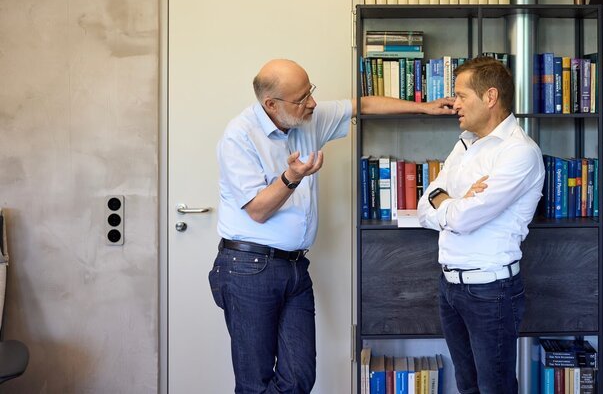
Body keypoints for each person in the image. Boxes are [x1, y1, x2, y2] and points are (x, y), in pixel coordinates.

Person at [209, 58, 454, 394]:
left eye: (310, 91)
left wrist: (424, 107)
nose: (312, 103)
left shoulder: (307, 117)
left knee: (299, 376)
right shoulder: (239, 136)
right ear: (271, 104)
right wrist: (292, 176)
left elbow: (363, 104)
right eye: (301, 98)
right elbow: (258, 210)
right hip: (248, 269)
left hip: (295, 267)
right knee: (255, 382)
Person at [417, 56, 545, 394]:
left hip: (491, 292)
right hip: (449, 287)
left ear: (490, 97)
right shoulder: (464, 145)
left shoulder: (519, 152)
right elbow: (423, 206)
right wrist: (455, 201)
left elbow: (463, 218)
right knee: (467, 387)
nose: (454, 104)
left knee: (495, 389)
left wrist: (446, 201)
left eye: (462, 96)